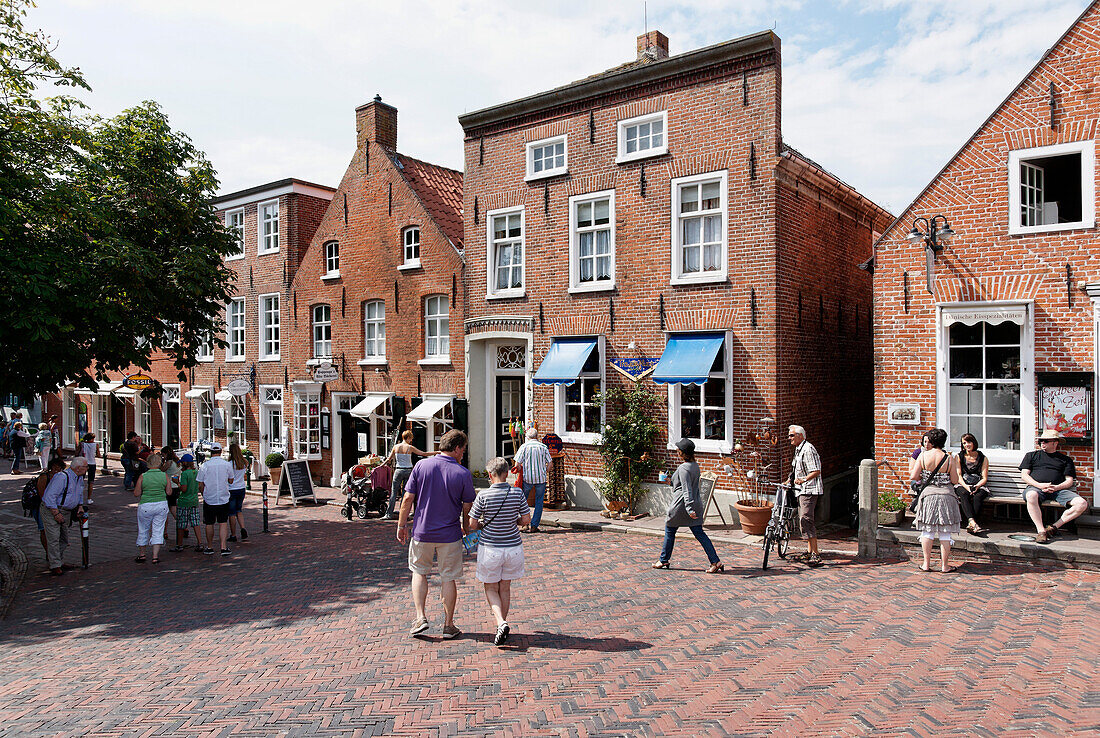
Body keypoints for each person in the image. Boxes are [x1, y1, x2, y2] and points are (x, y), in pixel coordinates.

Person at [397, 429, 475, 639]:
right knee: (448, 578)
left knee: (419, 572)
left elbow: (407, 499)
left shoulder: (422, 465)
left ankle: (421, 617)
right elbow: (468, 505)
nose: (463, 454)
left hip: (422, 531)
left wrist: (401, 525)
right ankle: (448, 625)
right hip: (450, 534)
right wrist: (466, 528)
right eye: (463, 449)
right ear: (457, 448)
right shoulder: (463, 473)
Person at [470, 456, 531, 647]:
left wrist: (483, 525)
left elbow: (472, 524)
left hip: (490, 547)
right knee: (505, 588)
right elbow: (526, 519)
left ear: (490, 475)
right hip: (513, 547)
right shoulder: (517, 494)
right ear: (506, 474)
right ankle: (501, 625)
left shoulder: (483, 495)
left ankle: (501, 623)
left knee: (490, 587)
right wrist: (516, 522)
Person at [652, 438, 724, 573]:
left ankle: (663, 560)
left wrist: (689, 508)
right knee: (699, 534)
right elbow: (684, 485)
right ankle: (715, 561)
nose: (676, 450)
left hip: (681, 505)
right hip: (694, 503)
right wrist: (670, 481)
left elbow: (686, 489)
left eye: (678, 449)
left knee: (669, 530)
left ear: (682, 452)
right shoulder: (695, 465)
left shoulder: (683, 468)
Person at [1020, 429, 1089, 543]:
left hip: (1057, 490)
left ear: (1055, 443)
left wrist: (1056, 487)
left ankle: (1053, 527)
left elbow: (1069, 481)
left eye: (1046, 441)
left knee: (1082, 504)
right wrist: (1039, 485)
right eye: (1040, 441)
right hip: (1036, 488)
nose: (1042, 443)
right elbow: (1024, 475)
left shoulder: (1065, 460)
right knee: (1031, 495)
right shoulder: (1031, 456)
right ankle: (1041, 531)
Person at [910, 427, 961, 573]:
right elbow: (955, 480)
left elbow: (914, 476)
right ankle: (945, 566)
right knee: (945, 532)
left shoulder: (923, 456)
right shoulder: (949, 458)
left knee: (927, 530)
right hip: (946, 495)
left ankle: (926, 564)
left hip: (928, 495)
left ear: (931, 441)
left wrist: (925, 476)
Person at [41, 457, 87, 576]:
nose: (87, 468)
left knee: (64, 538)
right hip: (52, 509)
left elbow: (79, 492)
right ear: (78, 468)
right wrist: (56, 513)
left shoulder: (79, 477)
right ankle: (55, 565)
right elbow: (49, 497)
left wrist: (80, 506)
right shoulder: (61, 477)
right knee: (54, 538)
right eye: (86, 466)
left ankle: (59, 561)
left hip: (66, 511)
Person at [788, 424, 825, 567]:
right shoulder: (799, 449)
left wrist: (803, 479)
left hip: (809, 490)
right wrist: (790, 480)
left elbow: (816, 470)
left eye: (792, 435)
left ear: (800, 436)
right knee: (803, 520)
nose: (789, 438)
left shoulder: (808, 449)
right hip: (800, 490)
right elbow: (796, 469)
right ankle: (809, 551)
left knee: (806, 519)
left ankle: (815, 553)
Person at [382, 430, 437, 520]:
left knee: (393, 492)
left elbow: (389, 459)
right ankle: (403, 514)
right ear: (408, 438)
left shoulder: (396, 447)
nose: (411, 440)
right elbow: (423, 453)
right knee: (405, 493)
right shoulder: (409, 447)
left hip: (398, 470)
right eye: (411, 438)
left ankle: (388, 514)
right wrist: (437, 452)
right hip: (408, 471)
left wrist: (381, 465)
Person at [197, 441, 234, 555]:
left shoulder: (205, 466)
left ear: (211, 452)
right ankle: (223, 547)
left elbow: (200, 484)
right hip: (223, 497)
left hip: (209, 498)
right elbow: (231, 480)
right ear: (220, 451)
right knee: (223, 522)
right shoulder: (227, 464)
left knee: (209, 523)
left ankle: (209, 547)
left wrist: (204, 493)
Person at [513, 427, 552, 533]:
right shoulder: (543, 447)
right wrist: (546, 471)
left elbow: (517, 464)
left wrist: (520, 470)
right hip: (541, 479)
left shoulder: (524, 447)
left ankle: (524, 524)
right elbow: (550, 463)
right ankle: (534, 525)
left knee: (523, 501)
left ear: (527, 437)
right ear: (536, 436)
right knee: (539, 502)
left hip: (527, 478)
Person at [133, 452, 169, 564]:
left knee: (143, 529)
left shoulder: (143, 476)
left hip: (146, 504)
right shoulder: (164, 475)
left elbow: (136, 493)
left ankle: (142, 554)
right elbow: (169, 491)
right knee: (158, 529)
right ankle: (155, 556)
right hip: (161, 504)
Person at [30, 457, 67, 556]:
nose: (57, 470)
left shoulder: (61, 477)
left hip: (53, 506)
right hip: (40, 506)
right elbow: (43, 496)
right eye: (55, 468)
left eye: (59, 468)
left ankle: (53, 554)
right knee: (43, 530)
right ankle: (48, 553)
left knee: (54, 531)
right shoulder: (44, 477)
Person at [955, 433, 990, 537]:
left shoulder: (983, 458)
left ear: (974, 442)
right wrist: (967, 487)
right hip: (963, 484)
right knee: (964, 494)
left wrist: (977, 486)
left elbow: (984, 478)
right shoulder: (959, 456)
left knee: (978, 496)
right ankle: (973, 522)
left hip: (978, 484)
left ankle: (971, 523)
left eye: (969, 442)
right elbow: (959, 476)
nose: (967, 445)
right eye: (964, 443)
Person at [173, 453, 202, 552]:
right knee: (195, 522)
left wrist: (177, 483)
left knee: (181, 524)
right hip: (194, 500)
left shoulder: (185, 474)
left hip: (184, 501)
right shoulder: (196, 472)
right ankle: (200, 543)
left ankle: (179, 545)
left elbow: (184, 488)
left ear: (185, 463)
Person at [226, 442, 249, 542]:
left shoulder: (229, 464)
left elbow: (228, 477)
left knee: (231, 513)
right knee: (239, 510)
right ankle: (243, 528)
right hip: (241, 488)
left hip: (231, 489)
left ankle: (233, 534)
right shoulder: (244, 463)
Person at [160, 447, 181, 540]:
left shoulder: (169, 462)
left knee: (168, 509)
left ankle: (165, 531)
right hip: (176, 486)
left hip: (169, 487)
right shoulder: (177, 462)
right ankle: (182, 526)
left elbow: (161, 470)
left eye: (163, 454)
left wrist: (160, 461)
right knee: (173, 506)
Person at [80, 433, 98, 504]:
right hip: (92, 463)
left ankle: (79, 497)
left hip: (84, 463)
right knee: (91, 482)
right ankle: (89, 498)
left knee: (80, 481)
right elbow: (98, 454)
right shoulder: (95, 445)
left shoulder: (82, 444)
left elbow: (77, 453)